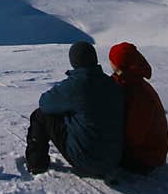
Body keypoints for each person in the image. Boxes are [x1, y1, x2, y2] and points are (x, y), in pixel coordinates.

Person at [25, 41, 124, 178]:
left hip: (87, 160)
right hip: (114, 159)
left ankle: (36, 163)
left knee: (40, 115)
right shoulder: (110, 83)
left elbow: (44, 103)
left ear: (74, 61)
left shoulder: (75, 85)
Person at [108, 42, 168, 174]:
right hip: (147, 153)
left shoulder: (137, 92)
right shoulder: (132, 82)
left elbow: (134, 135)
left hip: (145, 159)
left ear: (118, 65)